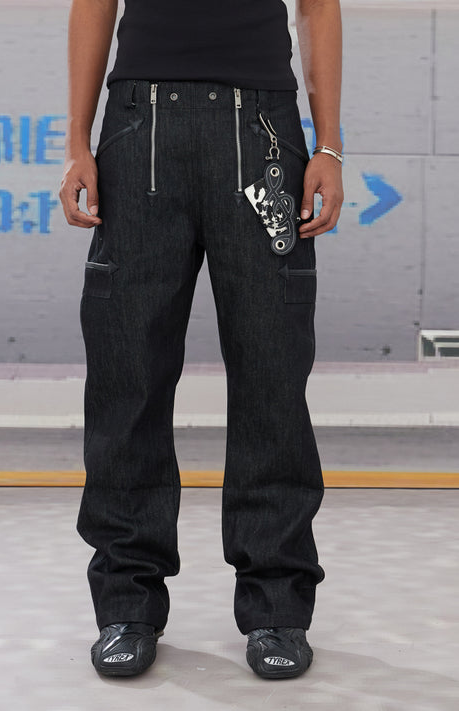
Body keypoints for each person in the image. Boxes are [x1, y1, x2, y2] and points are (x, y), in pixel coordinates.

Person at [60, 0, 343, 680]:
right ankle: (126, 605)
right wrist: (77, 142)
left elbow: (317, 7)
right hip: (139, 127)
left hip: (262, 131)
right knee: (128, 378)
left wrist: (329, 146)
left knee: (272, 380)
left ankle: (276, 606)